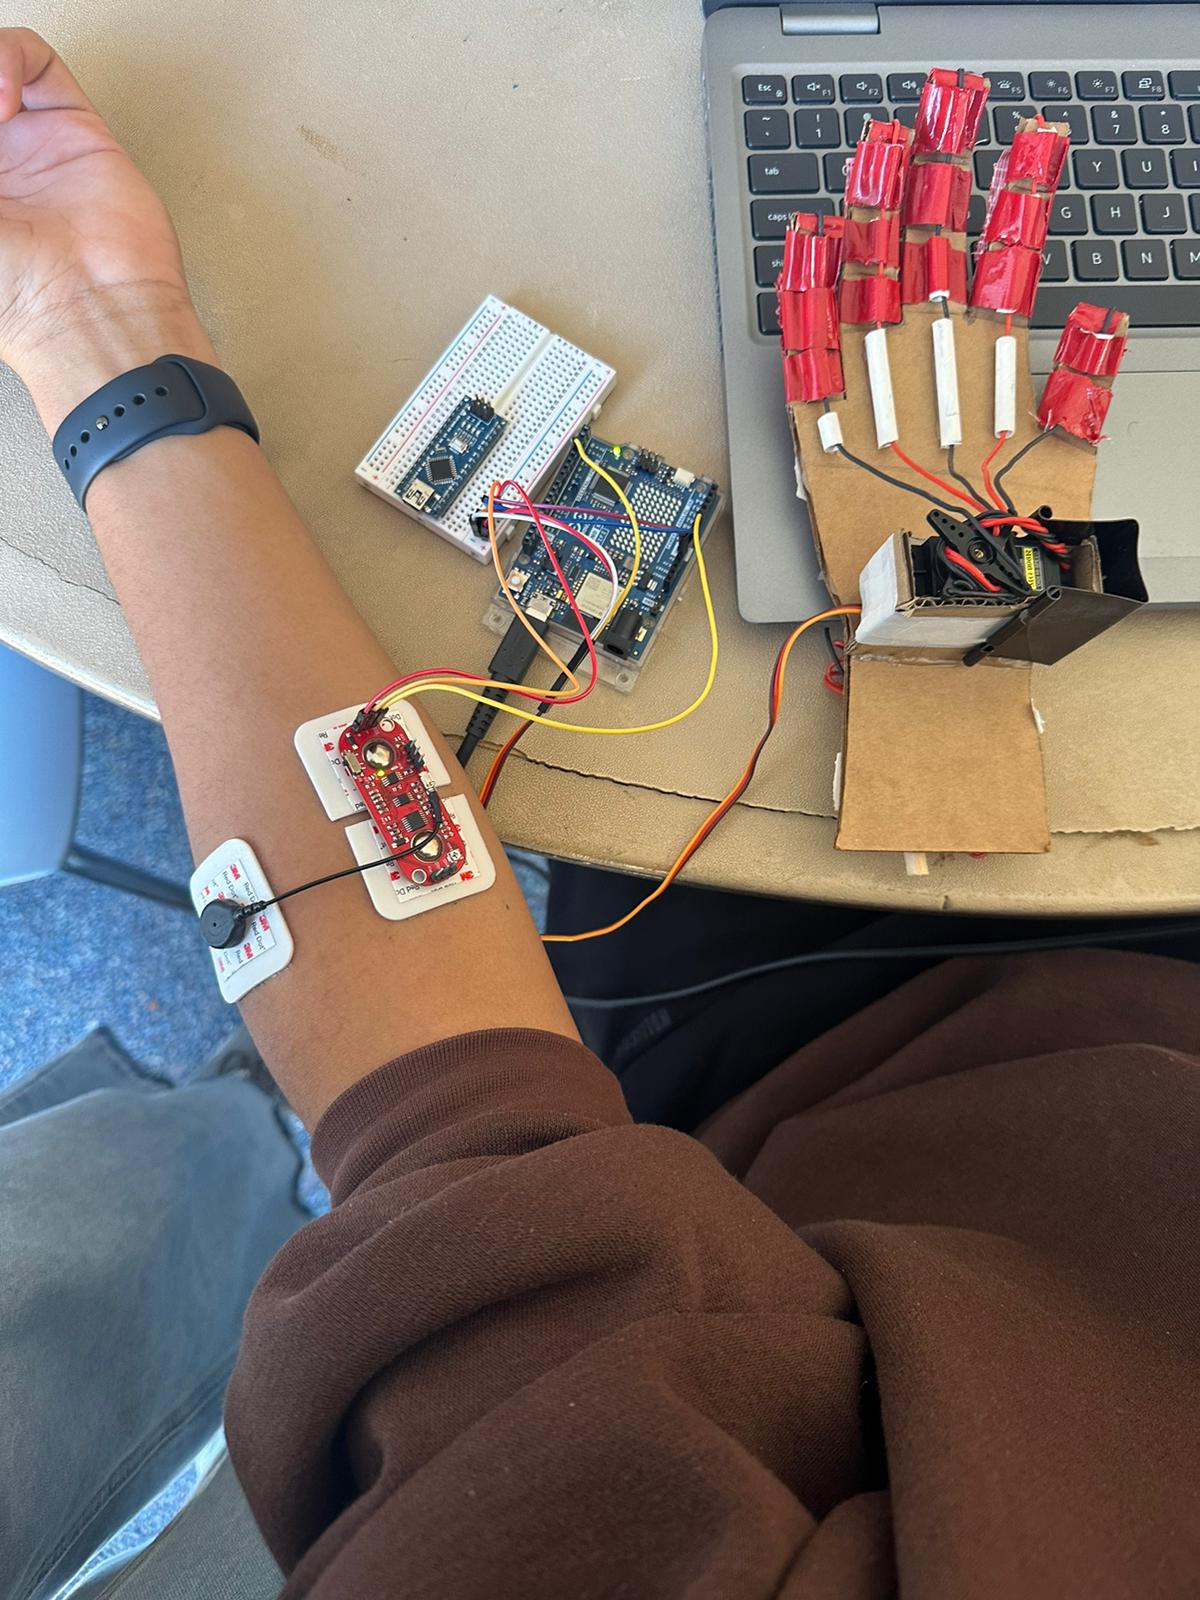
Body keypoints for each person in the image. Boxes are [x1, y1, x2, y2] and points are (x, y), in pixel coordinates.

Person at [2, 26, 1199, 1600]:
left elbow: (464, 1144)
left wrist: (100, 328)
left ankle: (255, 1128)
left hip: (780, 1076)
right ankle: (265, 1129)